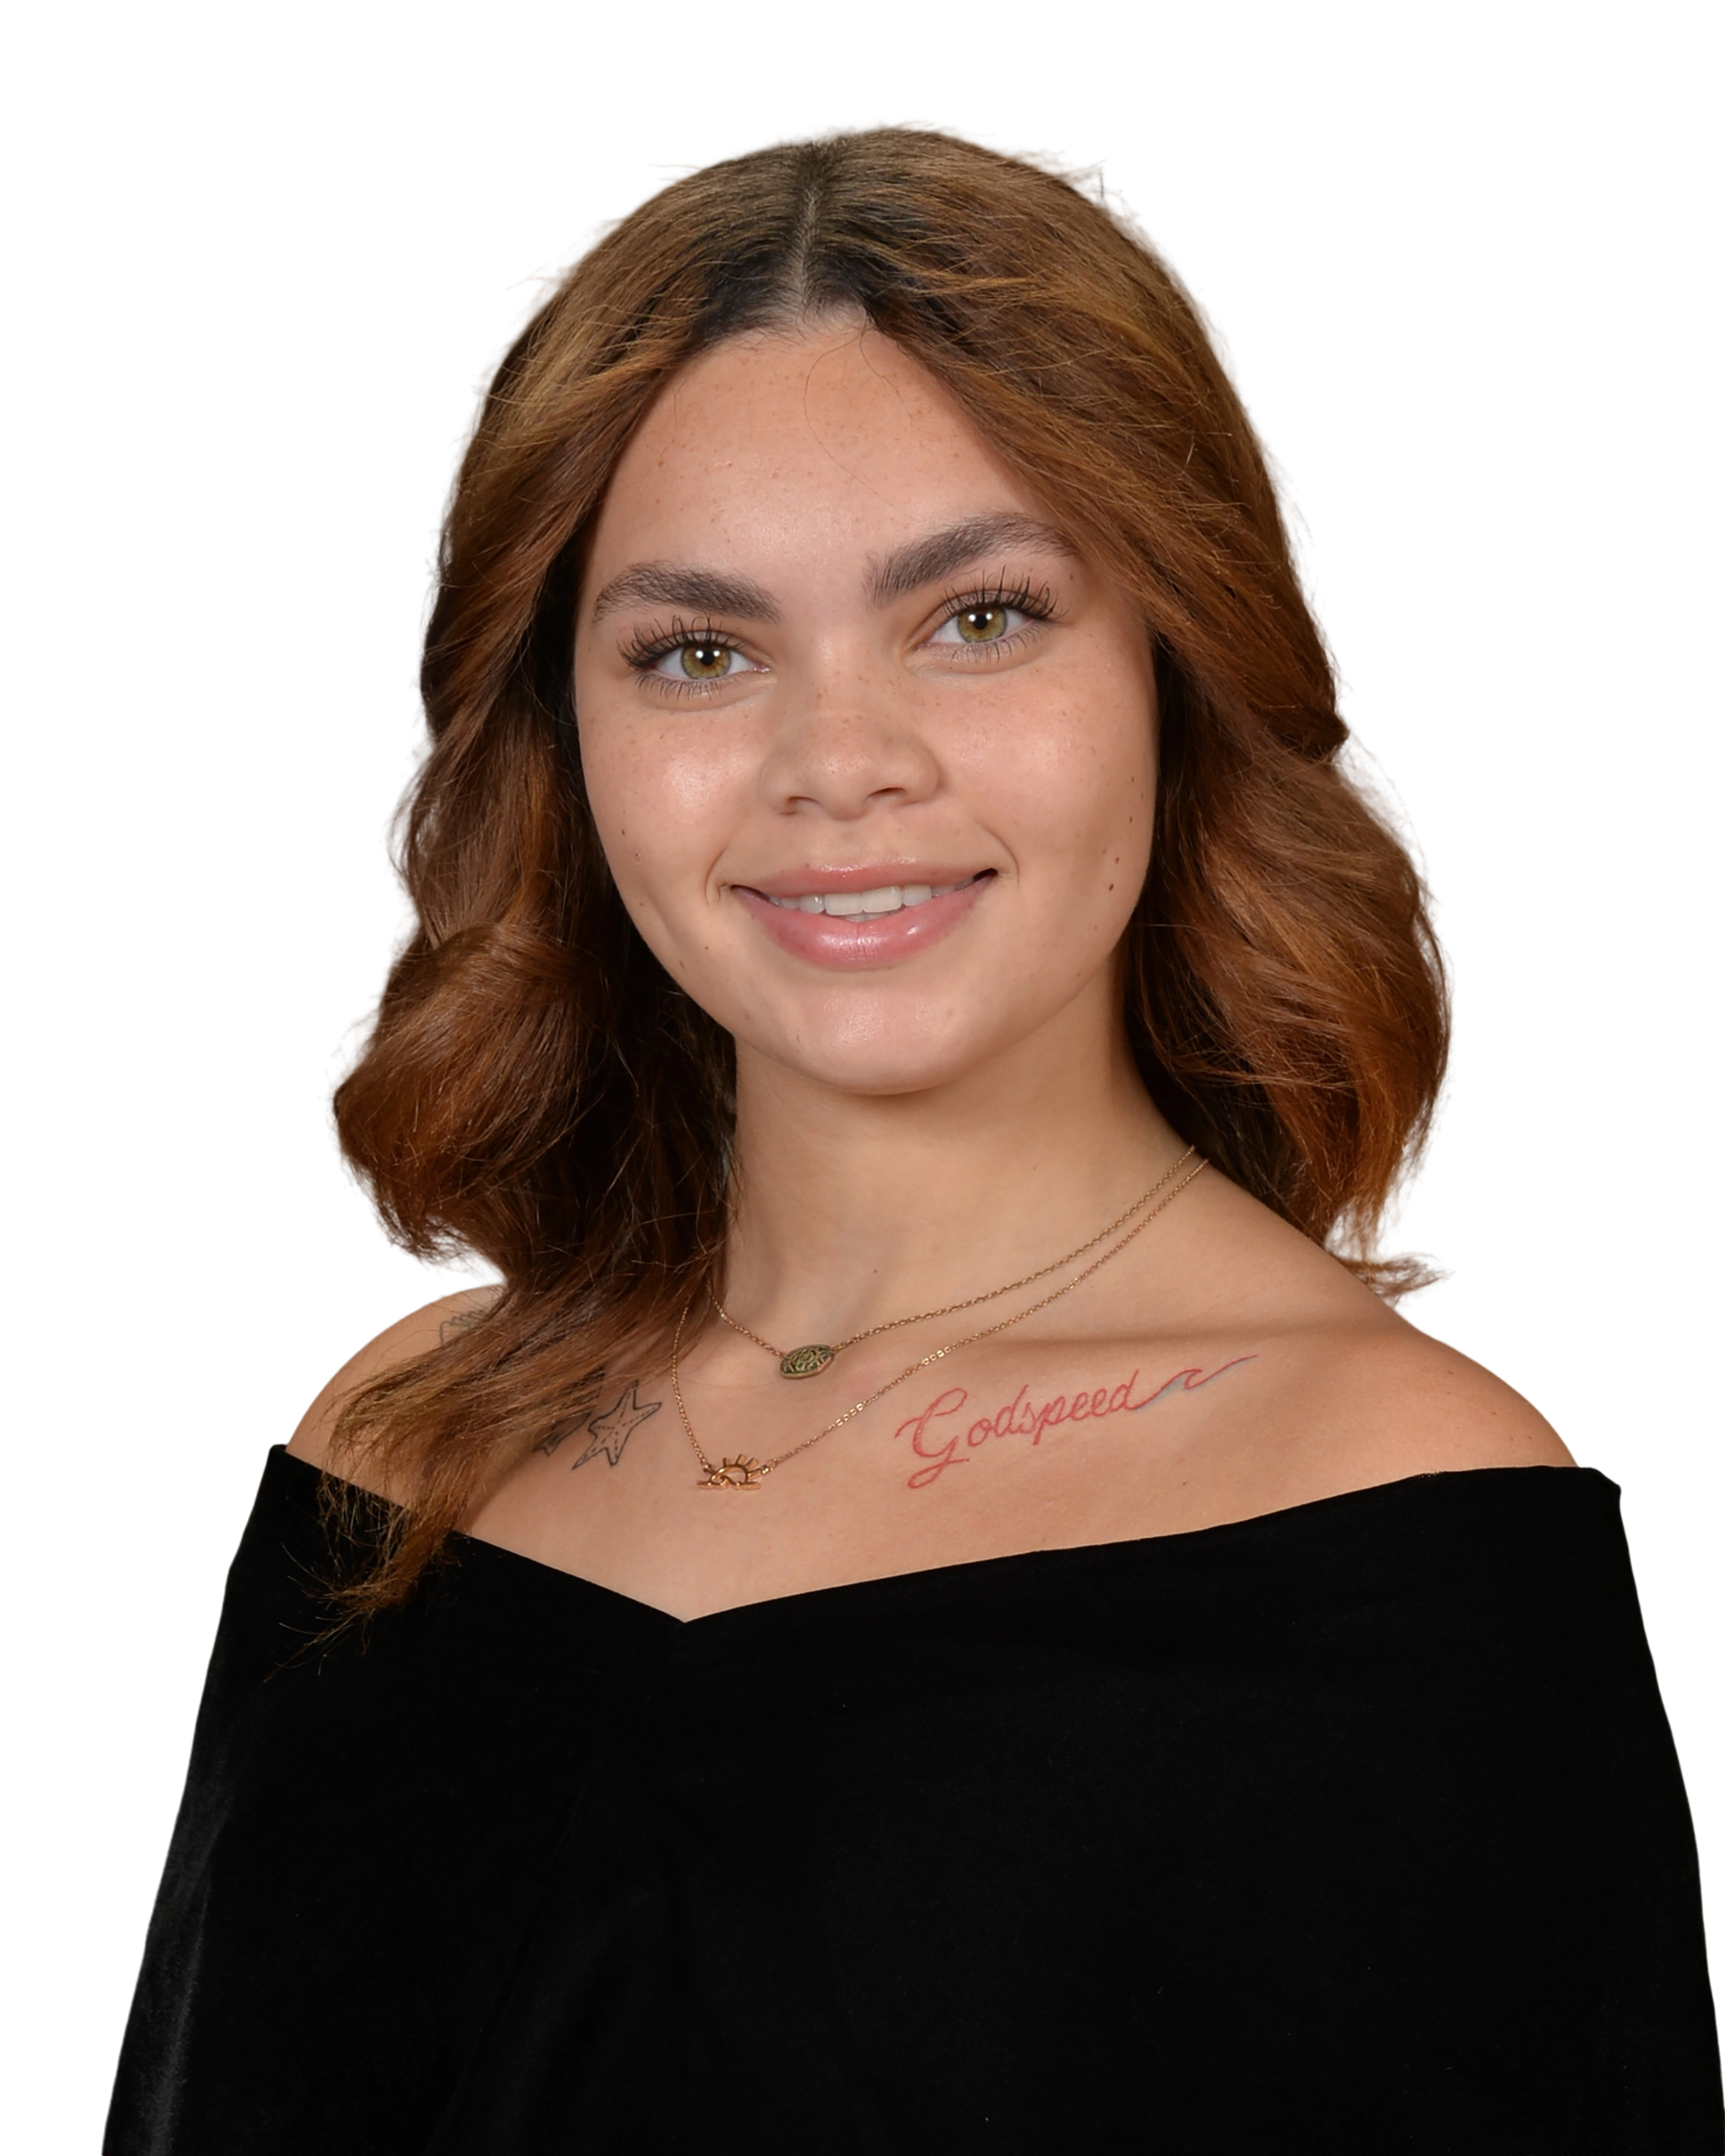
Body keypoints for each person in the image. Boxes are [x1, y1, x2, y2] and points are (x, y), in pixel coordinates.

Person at [101, 118, 1721, 2153]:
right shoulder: (398, 1445)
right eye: (701, 653)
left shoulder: (1407, 1532)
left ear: (1178, 664)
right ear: (560, 740)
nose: (839, 764)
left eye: (979, 618)